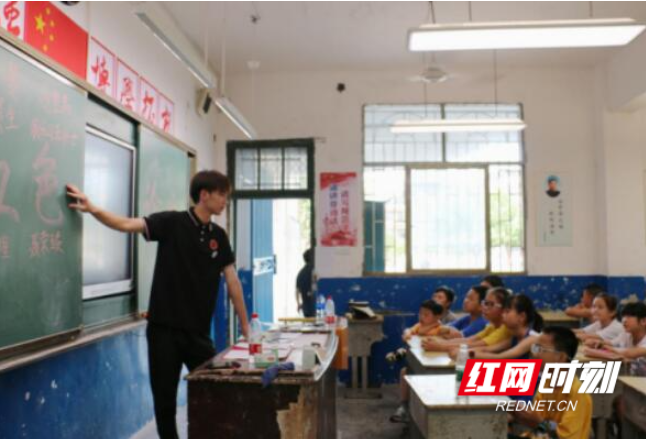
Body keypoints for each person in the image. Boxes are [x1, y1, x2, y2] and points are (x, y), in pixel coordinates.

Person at [67, 170, 250, 440]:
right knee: (165, 405)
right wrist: (93, 208)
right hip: (164, 332)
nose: (225, 201)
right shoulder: (172, 223)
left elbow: (233, 281)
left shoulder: (219, 236)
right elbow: (126, 225)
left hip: (198, 335)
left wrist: (245, 326)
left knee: (217, 392)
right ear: (204, 195)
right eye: (222, 195)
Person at [511, 327, 593, 440]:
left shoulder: (577, 393)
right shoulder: (547, 383)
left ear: (561, 357)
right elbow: (537, 424)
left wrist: (538, 422)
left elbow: (563, 435)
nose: (535, 354)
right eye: (536, 348)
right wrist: (521, 415)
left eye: (541, 349)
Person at [390, 300, 444, 424]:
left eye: (426, 315)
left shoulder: (441, 328)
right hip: (422, 358)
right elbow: (409, 332)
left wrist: (430, 326)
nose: (421, 317)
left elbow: (424, 332)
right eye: (420, 314)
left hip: (433, 362)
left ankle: (415, 412)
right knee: (405, 372)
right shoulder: (419, 325)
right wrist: (408, 332)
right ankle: (405, 406)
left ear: (437, 317)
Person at [296, 249, 316, 318]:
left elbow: (297, 291)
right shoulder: (314, 270)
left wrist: (298, 304)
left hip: (306, 309)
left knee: (309, 327)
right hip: (316, 308)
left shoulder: (300, 273)